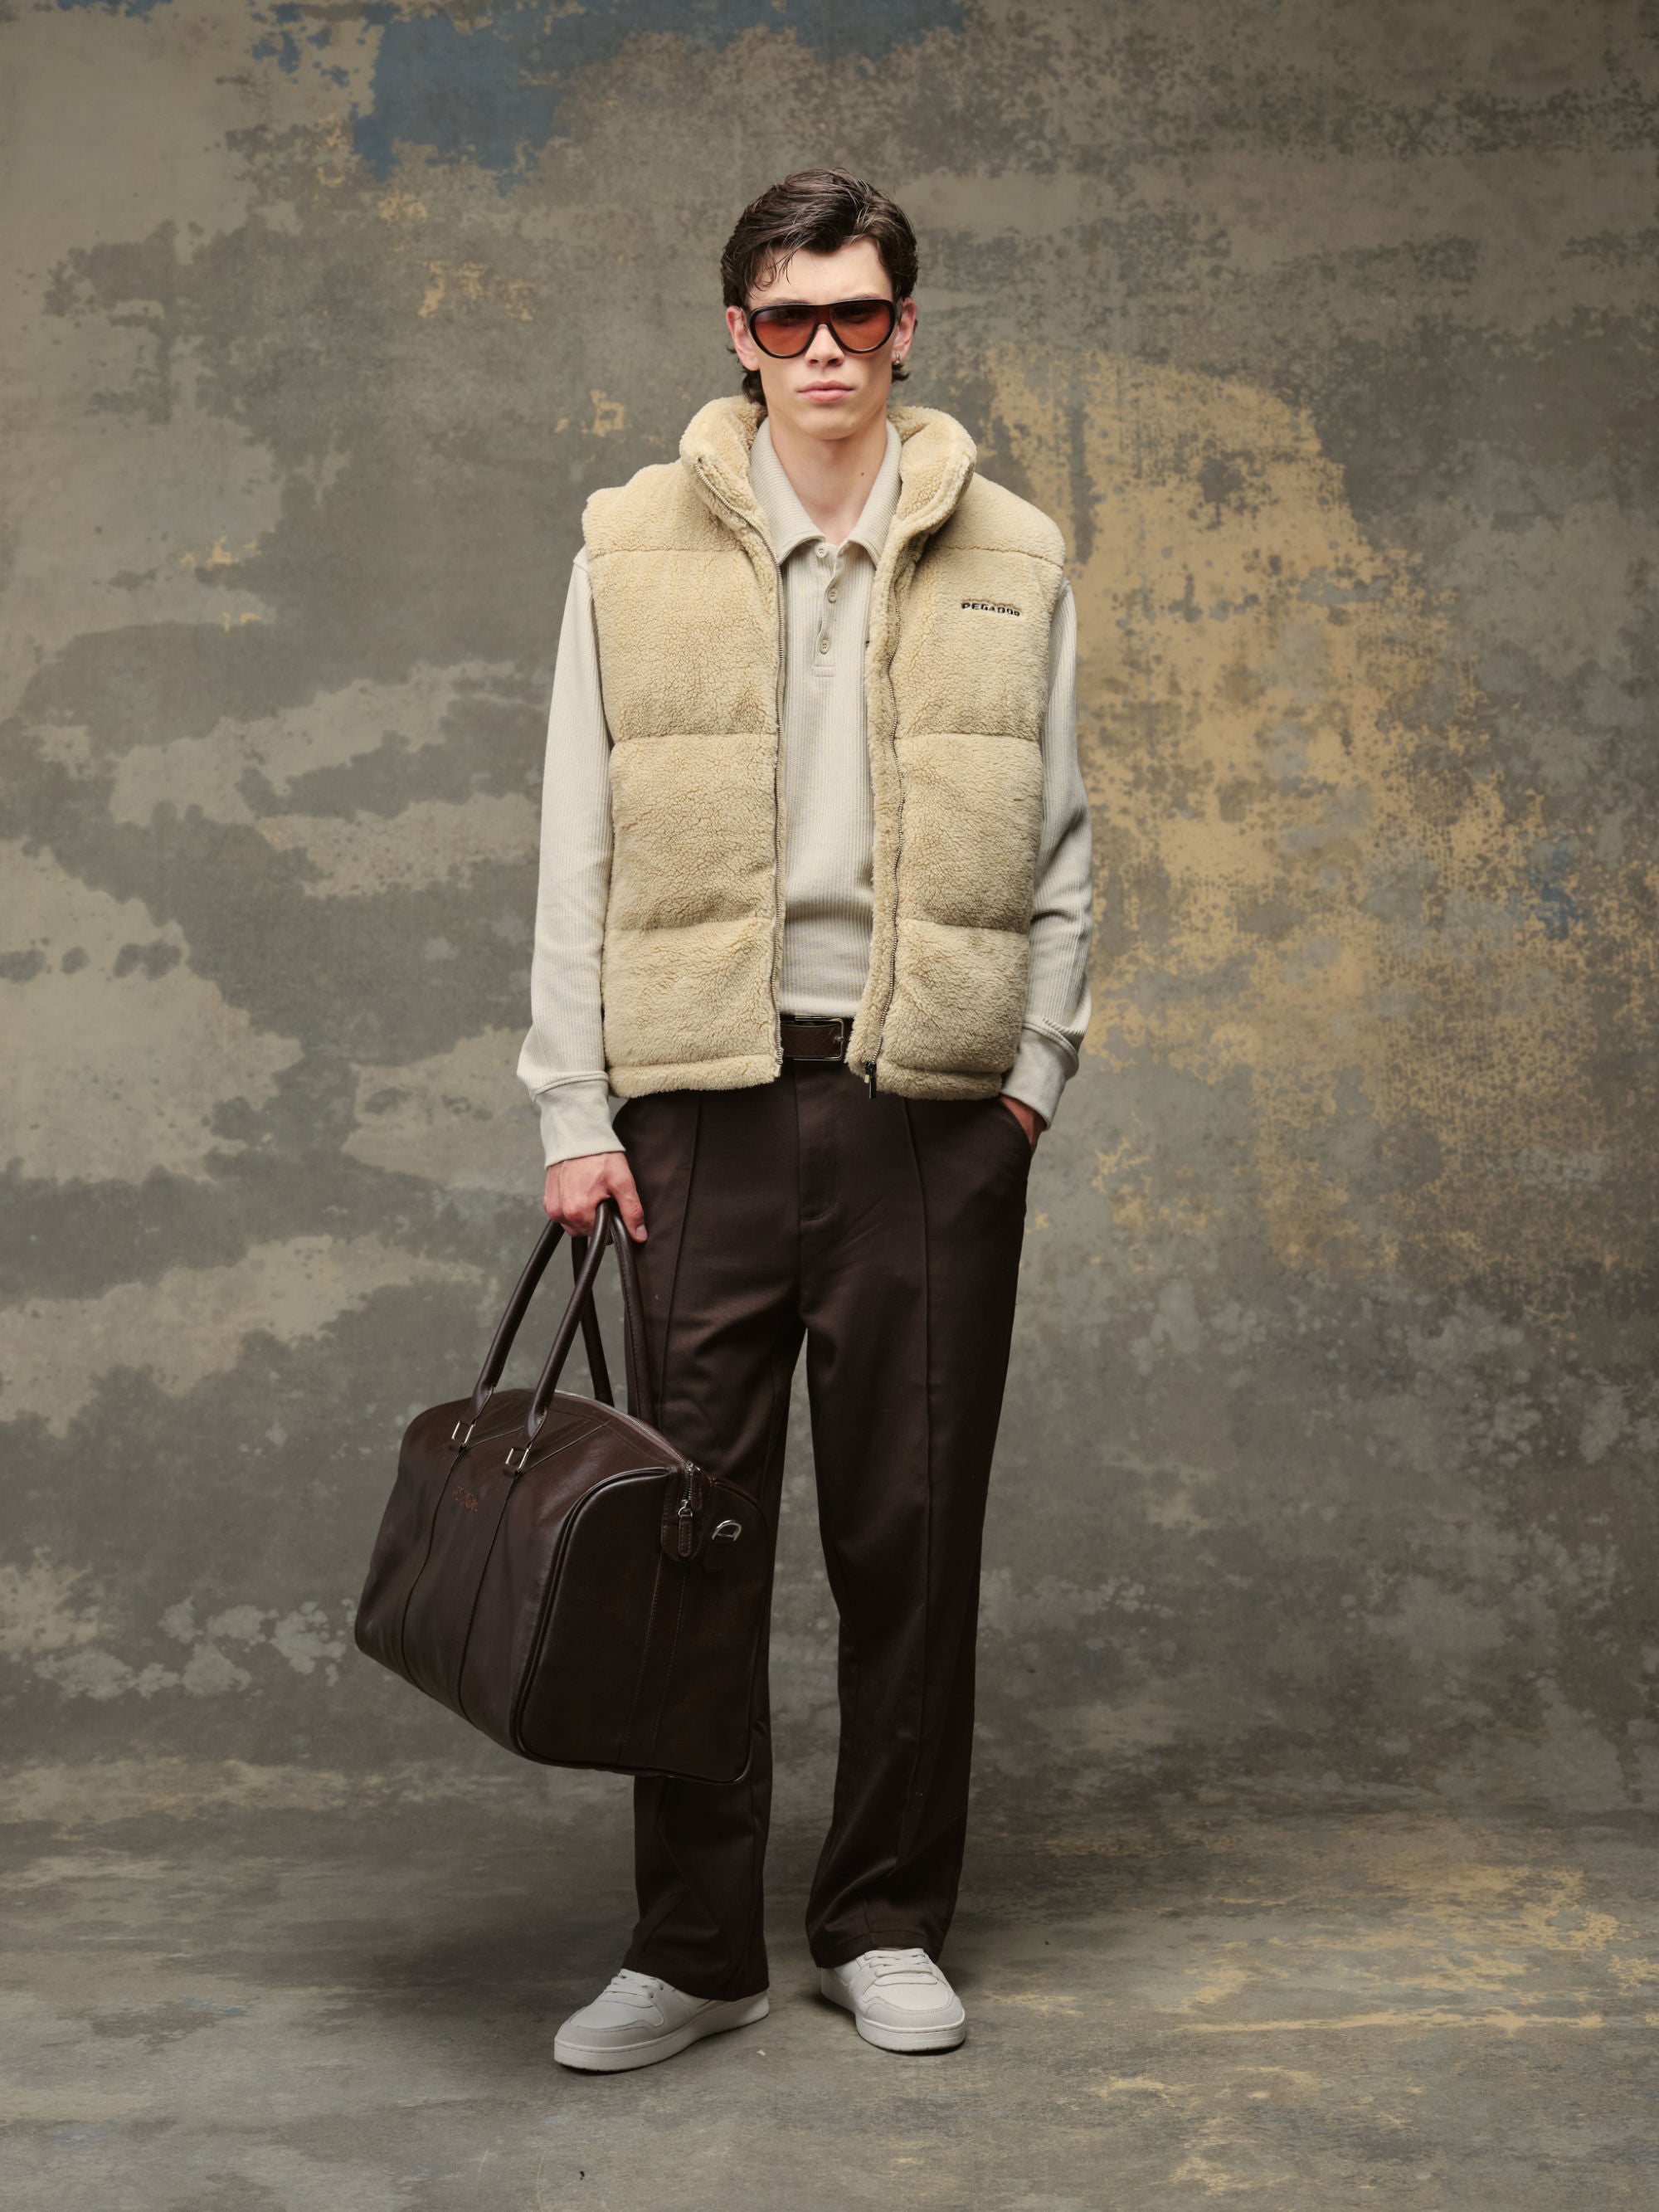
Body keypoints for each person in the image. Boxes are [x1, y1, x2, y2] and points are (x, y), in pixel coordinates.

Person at [517, 166, 1092, 2071]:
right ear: (740, 335)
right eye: (789, 318)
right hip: (698, 1107)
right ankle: (692, 1946)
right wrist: (575, 1105)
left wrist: (1030, 1083)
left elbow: (1066, 839)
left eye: (857, 314)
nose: (825, 348)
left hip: (931, 1108)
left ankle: (882, 1921)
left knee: (909, 1540)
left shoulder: (1014, 548)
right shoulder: (627, 545)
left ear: (905, 328)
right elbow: (575, 840)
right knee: (686, 1541)